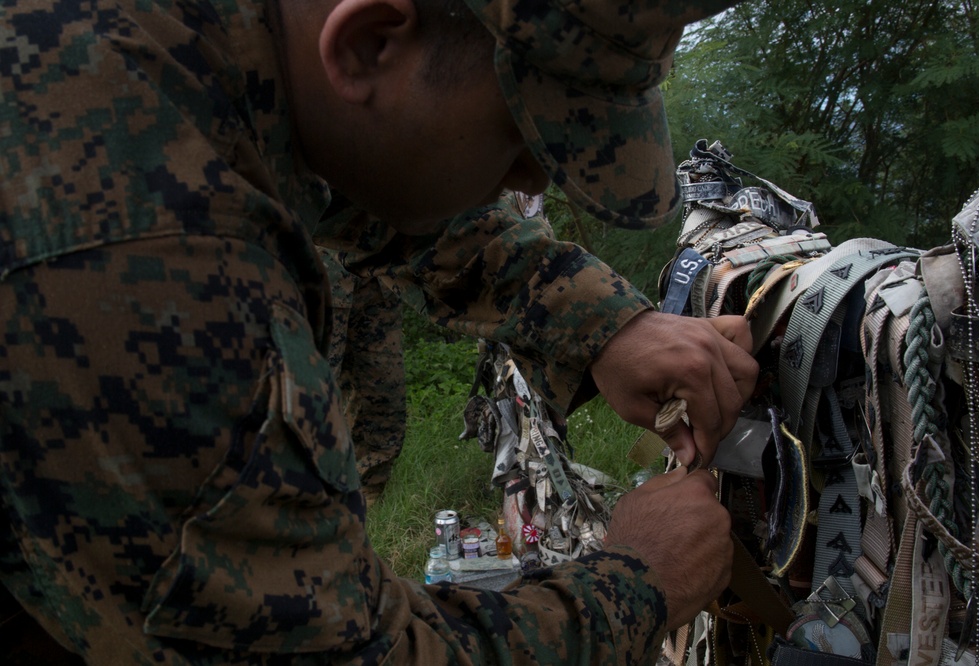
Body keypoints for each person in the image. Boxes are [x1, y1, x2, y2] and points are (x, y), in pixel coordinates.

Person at [0, 0, 756, 664]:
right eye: (521, 134)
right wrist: (638, 582)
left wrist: (605, 325)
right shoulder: (140, 261)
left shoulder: (203, 50)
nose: (534, 181)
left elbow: (383, 192)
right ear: (365, 43)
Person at [318, 249, 406, 506]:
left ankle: (368, 493)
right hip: (317, 277)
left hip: (375, 275)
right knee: (310, 399)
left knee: (384, 391)